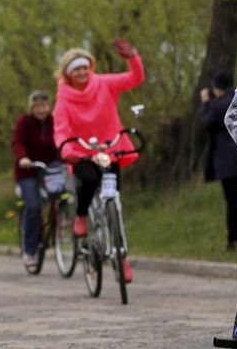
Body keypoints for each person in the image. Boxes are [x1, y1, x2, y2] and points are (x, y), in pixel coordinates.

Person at [53, 37, 145, 282]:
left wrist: (132, 56)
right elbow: (60, 127)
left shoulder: (103, 83)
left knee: (114, 199)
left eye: (85, 67)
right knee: (90, 180)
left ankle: (121, 255)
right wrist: (65, 148)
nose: (82, 72)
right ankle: (82, 217)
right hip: (81, 151)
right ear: (68, 73)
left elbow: (135, 78)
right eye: (76, 69)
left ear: (90, 67)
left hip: (110, 147)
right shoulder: (64, 97)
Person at [11, 91, 59, 267]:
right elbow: (18, 143)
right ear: (31, 108)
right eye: (36, 106)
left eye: (44, 106)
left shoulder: (54, 120)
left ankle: (61, 229)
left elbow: (62, 138)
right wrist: (23, 158)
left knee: (61, 194)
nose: (41, 110)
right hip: (28, 169)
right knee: (33, 205)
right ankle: (29, 250)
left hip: (50, 165)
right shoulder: (24, 122)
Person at [201, 71, 237, 251]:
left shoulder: (218, 106)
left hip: (229, 163)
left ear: (218, 88)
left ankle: (232, 241)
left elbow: (205, 124)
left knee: (232, 202)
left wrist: (206, 103)